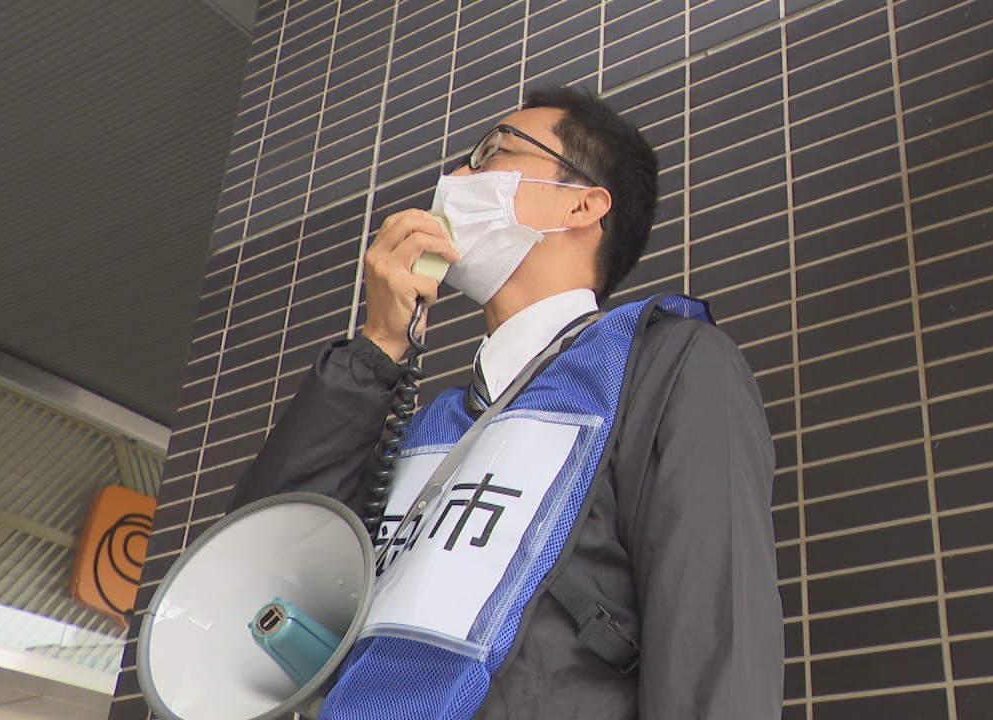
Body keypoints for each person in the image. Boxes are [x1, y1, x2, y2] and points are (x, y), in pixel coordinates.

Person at [230, 85, 782, 720]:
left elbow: (713, 628)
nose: (457, 177)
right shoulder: (432, 422)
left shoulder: (662, 364)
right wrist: (378, 348)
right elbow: (261, 561)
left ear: (582, 204)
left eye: (493, 151)